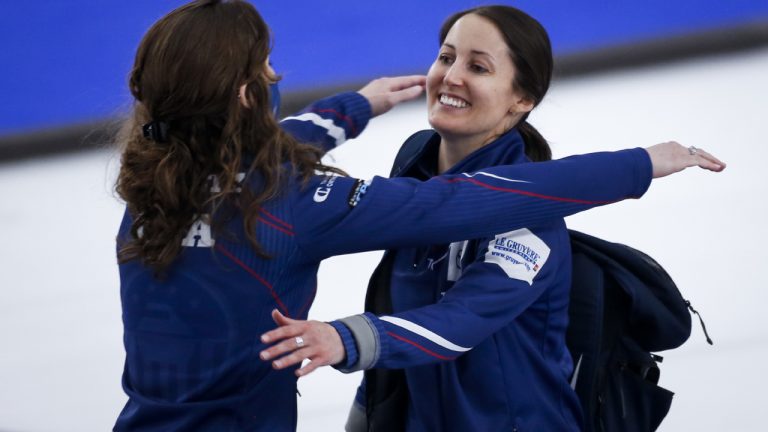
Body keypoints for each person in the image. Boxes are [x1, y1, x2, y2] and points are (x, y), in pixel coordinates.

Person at [114, 1, 724, 431]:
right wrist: (639, 163)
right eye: (446, 56)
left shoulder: (157, 180)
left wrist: (357, 106)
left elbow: (461, 320)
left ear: (523, 100)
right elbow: (451, 202)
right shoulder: (306, 200)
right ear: (247, 97)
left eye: (477, 66)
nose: (450, 75)